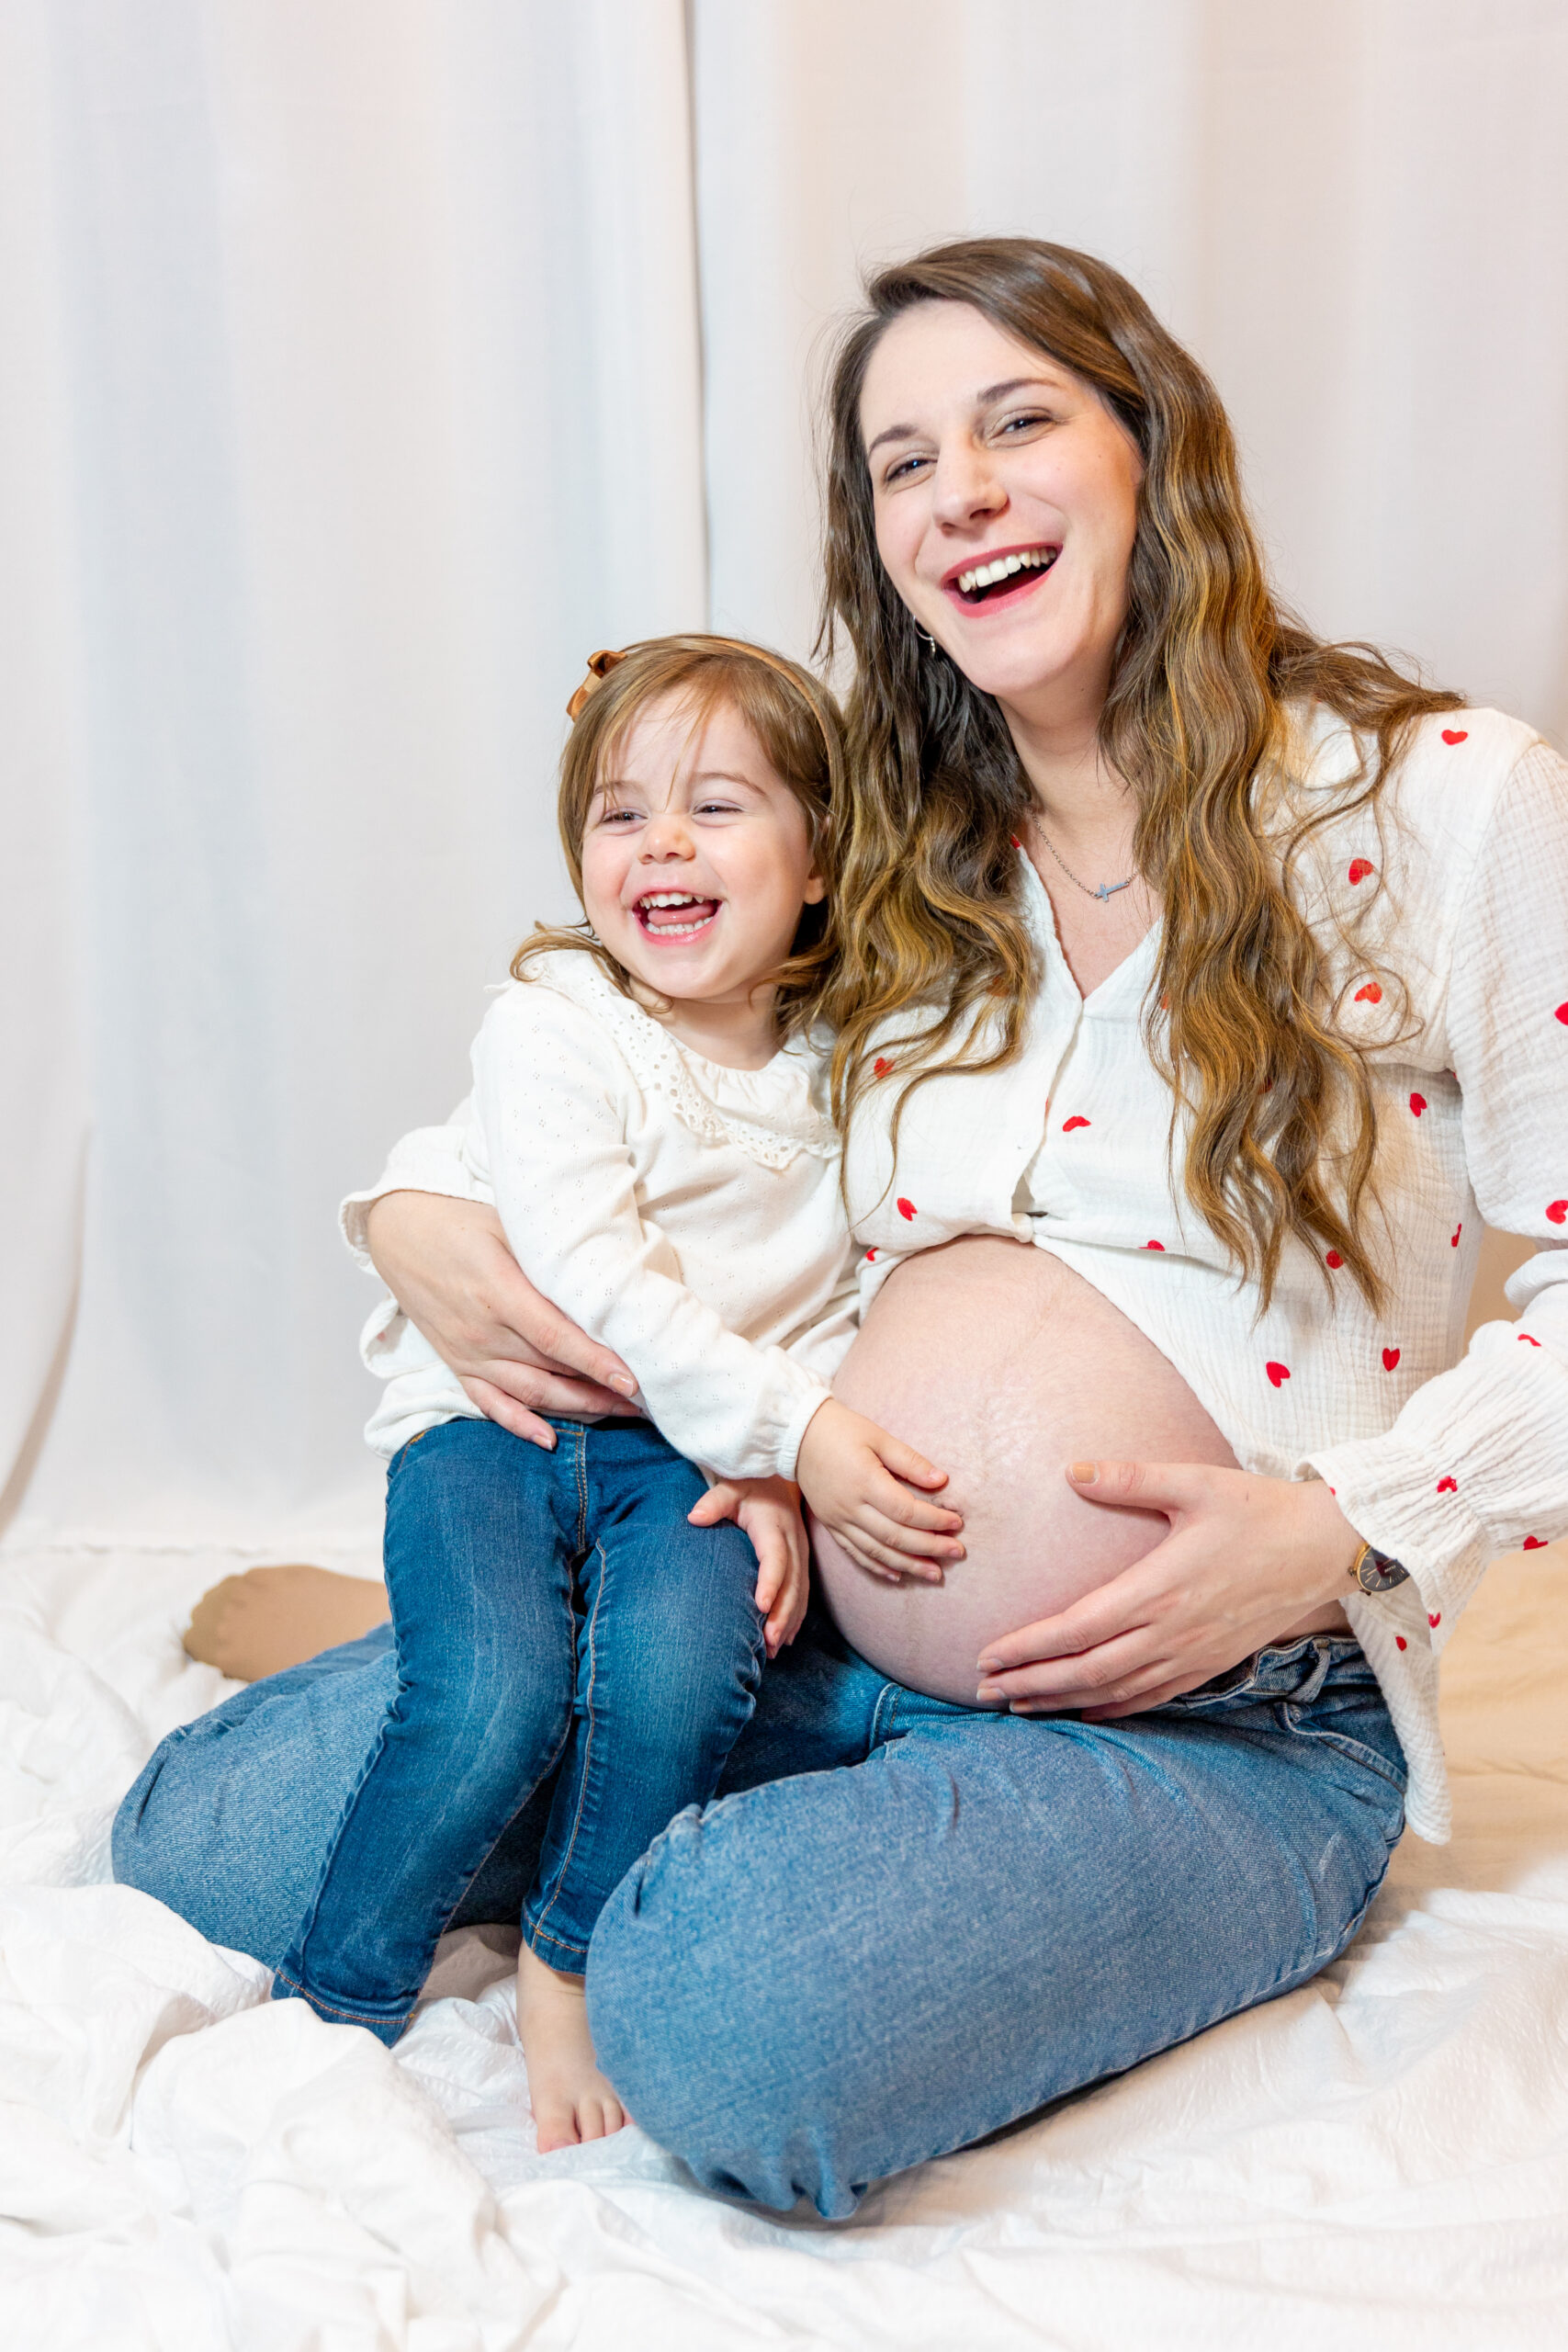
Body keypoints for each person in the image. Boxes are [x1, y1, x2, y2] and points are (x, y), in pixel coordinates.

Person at [117, 239, 1568, 2218]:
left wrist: (1342, 1522)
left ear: (1156, 451)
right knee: (205, 1839)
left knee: (722, 2019)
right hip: (783, 1617)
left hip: (1209, 1718)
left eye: (1014, 419)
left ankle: (740, 1826)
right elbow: (614, 1072)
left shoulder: (1439, 803)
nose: (953, 488)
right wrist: (415, 1211)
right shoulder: (892, 851)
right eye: (898, 460)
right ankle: (598, 1710)